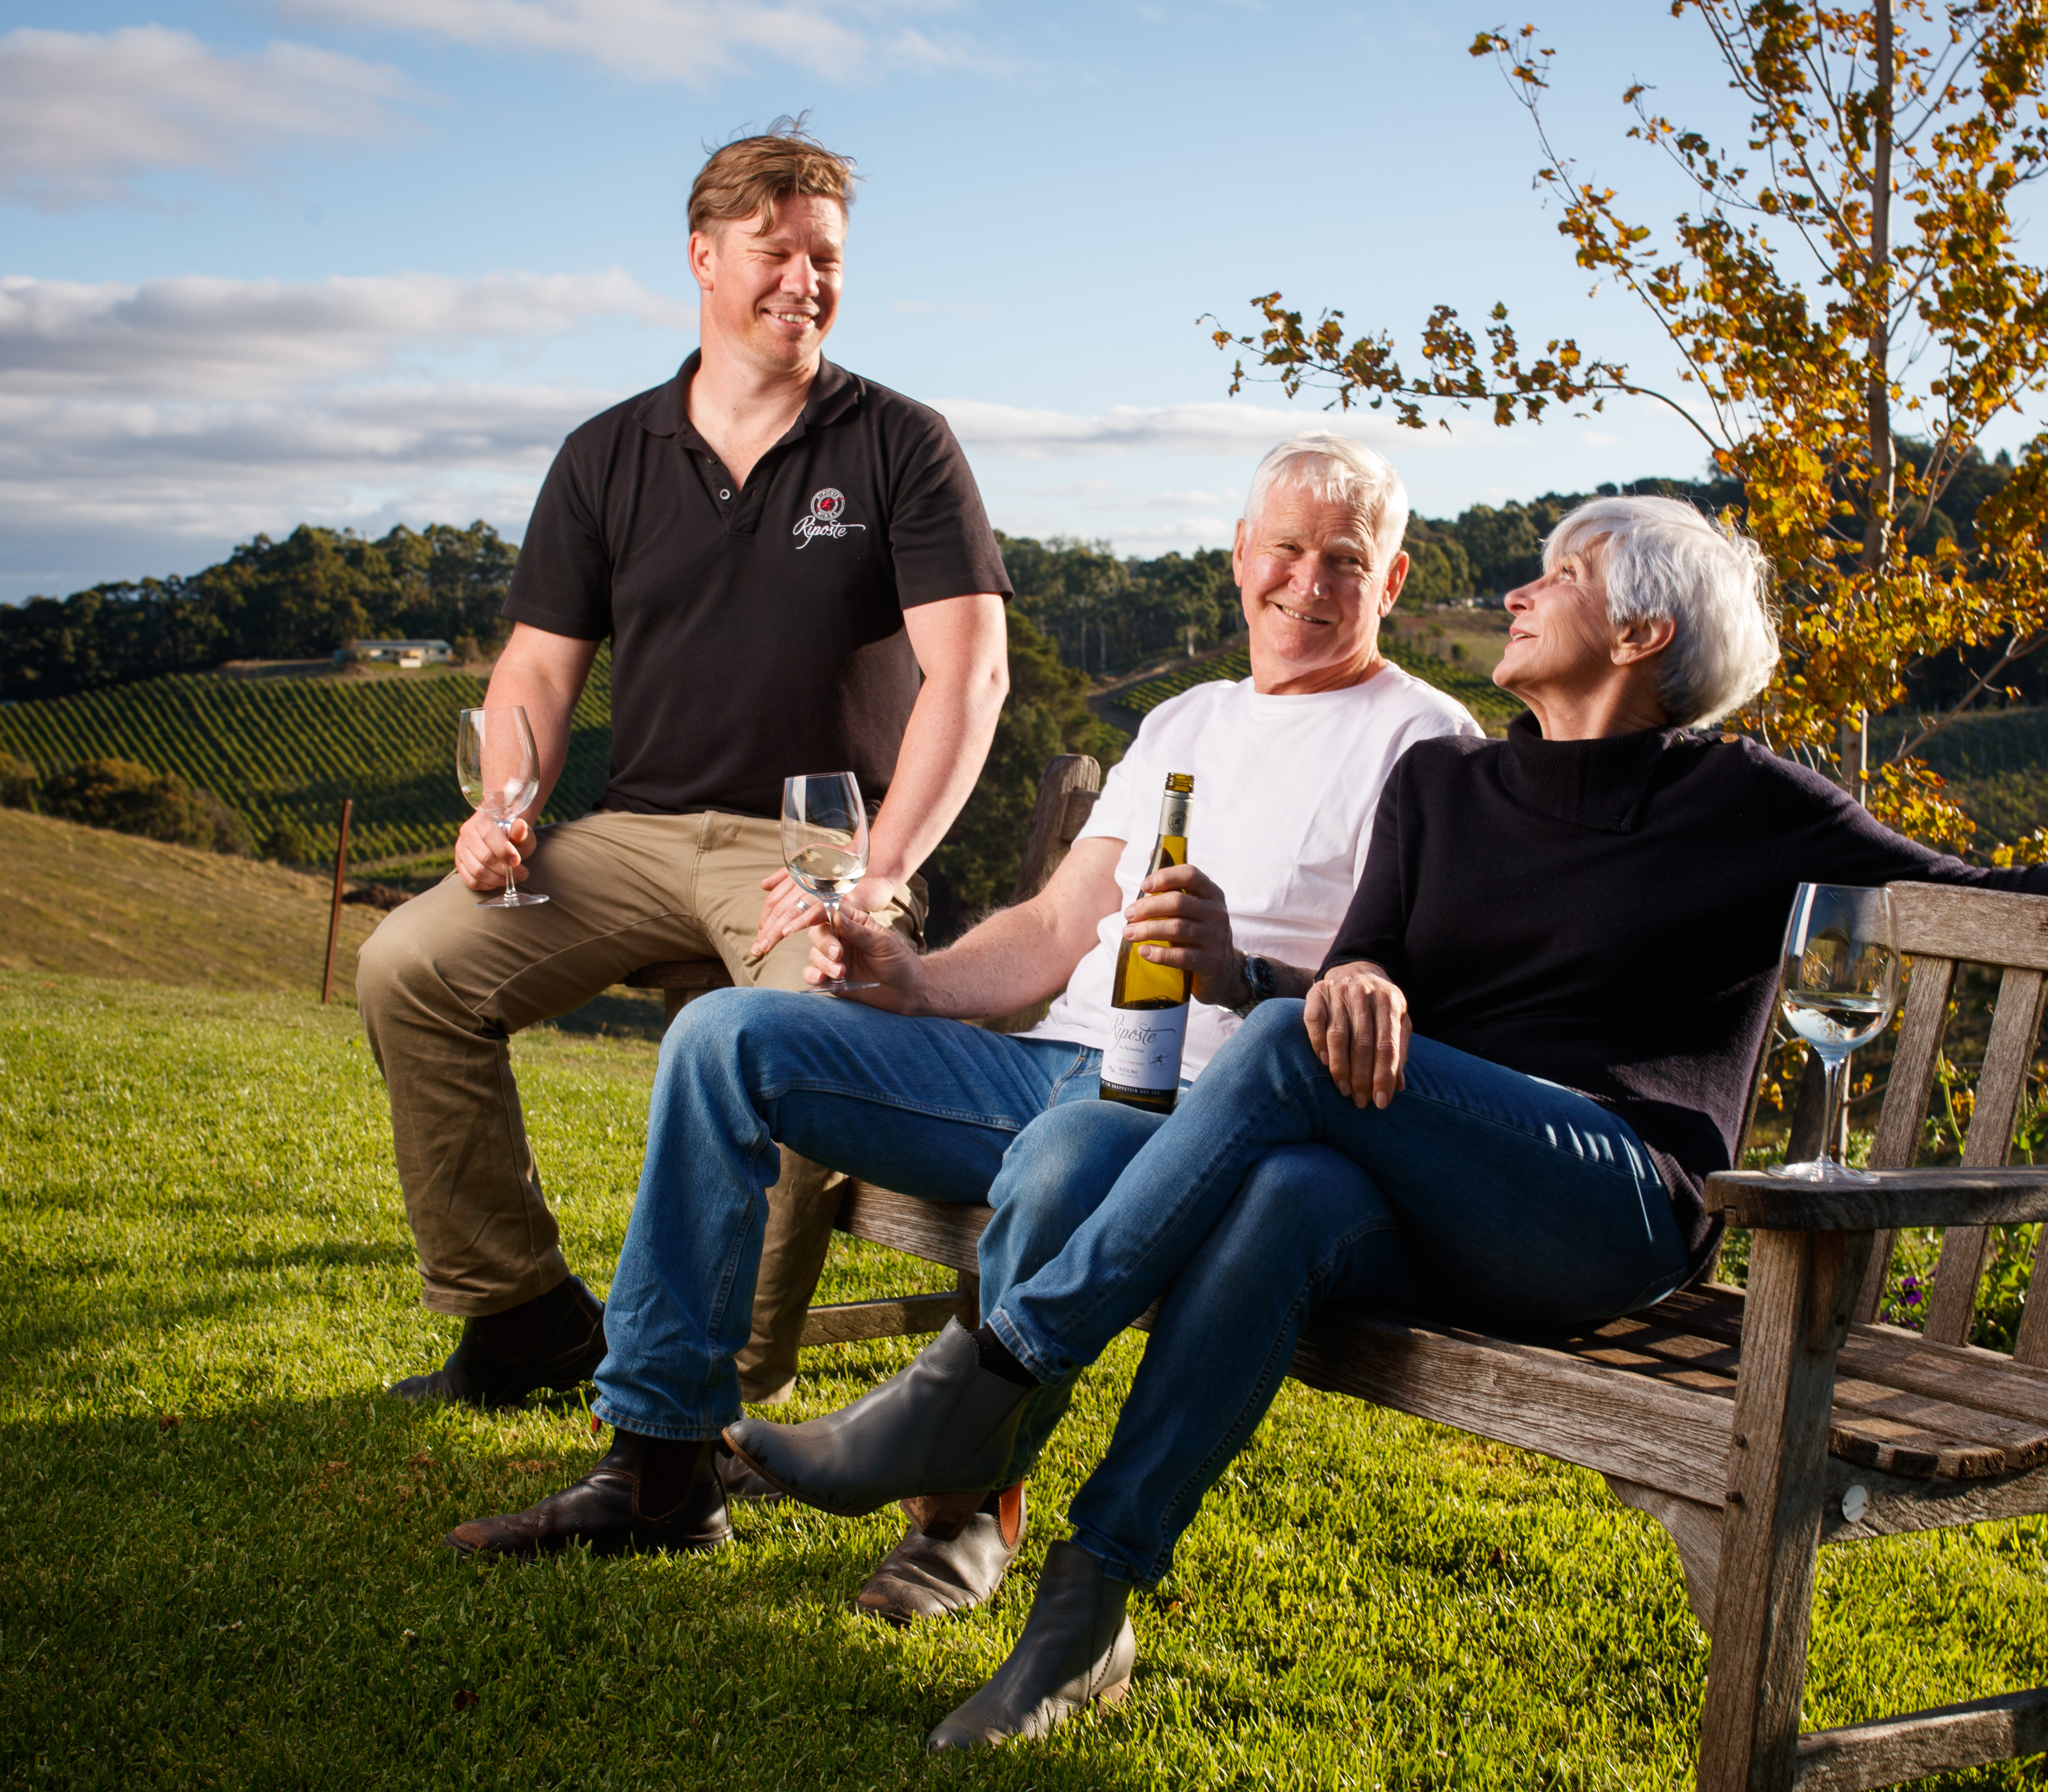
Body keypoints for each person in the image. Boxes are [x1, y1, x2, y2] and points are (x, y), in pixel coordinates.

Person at [717, 492, 2048, 1750]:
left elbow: (1947, 881)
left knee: (1296, 1085)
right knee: (1287, 1195)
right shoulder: (1441, 784)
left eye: (1557, 573)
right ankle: (1084, 1613)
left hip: (1605, 1201)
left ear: (1641, 636)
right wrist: (1326, 975)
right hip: (1418, 1180)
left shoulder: (1746, 802)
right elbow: (1363, 976)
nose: (1516, 587)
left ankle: (988, 1373)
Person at [443, 433, 1486, 1618]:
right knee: (726, 1036)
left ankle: (960, 1515)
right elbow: (1053, 926)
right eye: (1284, 549)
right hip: (1045, 1063)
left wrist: (1245, 968)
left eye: (1344, 559)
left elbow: (1406, 991)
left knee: (1059, 1158)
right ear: (1238, 556)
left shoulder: (1430, 743)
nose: (1306, 582)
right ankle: (657, 1465)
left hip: (1196, 1112)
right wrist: (909, 975)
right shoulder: (1187, 723)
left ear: (1391, 580)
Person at [358, 120, 1011, 1412]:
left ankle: (701, 1392)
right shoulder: (606, 454)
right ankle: (520, 1316)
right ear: (703, 259)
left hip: (816, 846)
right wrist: (503, 808)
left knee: (807, 1029)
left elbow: (971, 674)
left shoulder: (901, 443)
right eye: (775, 252)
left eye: (825, 256)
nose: (803, 281)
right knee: (406, 967)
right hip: (631, 838)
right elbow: (534, 674)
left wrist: (873, 879)